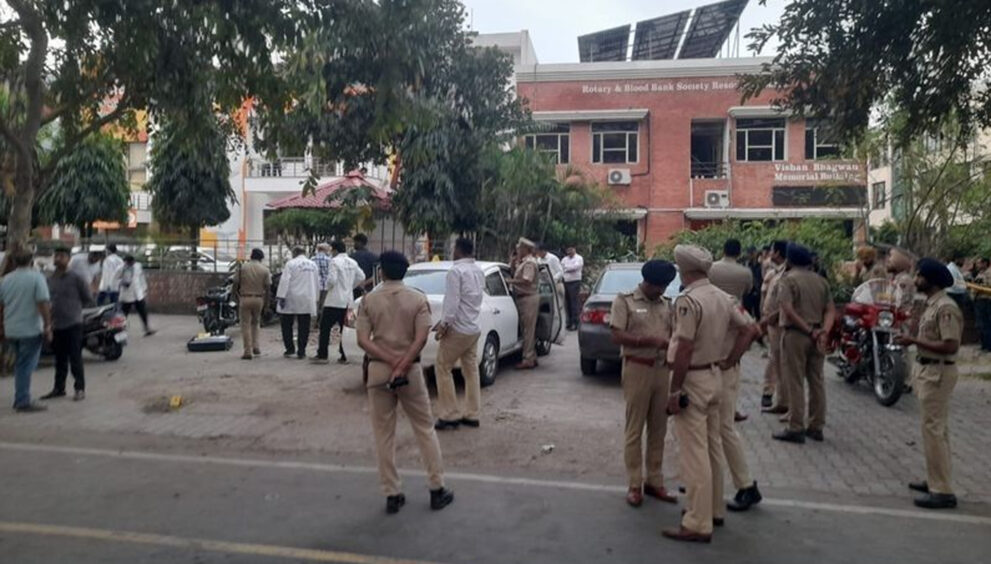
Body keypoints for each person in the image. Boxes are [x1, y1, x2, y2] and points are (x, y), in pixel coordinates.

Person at [662, 245, 753, 543]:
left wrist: (675, 389)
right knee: (713, 447)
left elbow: (684, 347)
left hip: (693, 378)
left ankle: (697, 522)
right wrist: (730, 360)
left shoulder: (688, 300)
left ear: (683, 270)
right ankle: (714, 510)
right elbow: (749, 330)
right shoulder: (723, 297)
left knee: (694, 454)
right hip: (715, 376)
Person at [355, 250, 454, 514]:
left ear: (382, 272)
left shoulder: (368, 301)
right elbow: (421, 338)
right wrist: (401, 365)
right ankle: (437, 489)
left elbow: (363, 340)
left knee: (383, 435)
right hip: (410, 371)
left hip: (378, 371)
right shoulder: (418, 299)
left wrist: (389, 361)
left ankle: (392, 494)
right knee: (425, 429)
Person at [609, 259, 679, 508]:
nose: (662, 290)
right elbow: (616, 335)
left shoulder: (667, 304)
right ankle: (634, 483)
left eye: (665, 286)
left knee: (659, 429)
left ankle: (655, 480)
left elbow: (675, 335)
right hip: (637, 368)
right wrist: (647, 341)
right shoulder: (624, 301)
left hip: (662, 371)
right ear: (648, 282)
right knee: (635, 428)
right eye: (659, 286)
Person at [894, 258, 963, 510]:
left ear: (930, 280)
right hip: (928, 370)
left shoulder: (946, 307)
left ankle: (942, 491)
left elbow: (950, 345)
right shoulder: (932, 304)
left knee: (934, 431)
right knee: (934, 431)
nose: (916, 280)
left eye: (920, 276)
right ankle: (936, 480)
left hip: (938, 372)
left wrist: (914, 341)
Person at [773, 243, 835, 444]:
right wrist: (823, 331)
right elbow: (830, 310)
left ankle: (796, 427)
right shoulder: (821, 281)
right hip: (818, 336)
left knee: (795, 381)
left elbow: (788, 309)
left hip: (796, 335)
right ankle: (816, 426)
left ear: (789, 260)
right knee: (817, 381)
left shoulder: (788, 280)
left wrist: (808, 330)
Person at [433, 238, 486, 430]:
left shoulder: (455, 272)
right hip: (473, 327)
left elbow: (452, 303)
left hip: (458, 328)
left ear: (459, 250)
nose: (452, 251)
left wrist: (443, 325)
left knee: (442, 367)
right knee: (471, 370)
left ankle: (450, 414)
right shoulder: (478, 271)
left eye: (454, 247)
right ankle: (472, 414)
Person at [709, 238, 755, 423]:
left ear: (723, 250)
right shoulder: (745, 272)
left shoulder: (711, 268)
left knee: (712, 359)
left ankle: (712, 401)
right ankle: (730, 408)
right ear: (739, 252)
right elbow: (748, 291)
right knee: (733, 364)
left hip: (713, 315)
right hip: (736, 318)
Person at [1, 250, 53, 412]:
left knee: (20, 364)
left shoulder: (6, 280)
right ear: (31, 261)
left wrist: (2, 326)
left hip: (11, 329)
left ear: (14, 262)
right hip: (30, 329)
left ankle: (21, 396)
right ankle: (22, 400)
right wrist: (47, 325)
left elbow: (1, 306)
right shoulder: (37, 278)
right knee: (25, 365)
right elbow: (43, 303)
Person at [41, 247, 93, 401]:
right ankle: (59, 388)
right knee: (60, 359)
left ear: (68, 259)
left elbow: (87, 298)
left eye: (62, 256)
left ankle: (79, 389)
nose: (58, 258)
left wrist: (74, 308)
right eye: (56, 255)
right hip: (56, 324)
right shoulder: (50, 279)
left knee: (75, 357)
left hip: (73, 323)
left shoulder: (76, 278)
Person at [315, 241, 363, 364]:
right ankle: (344, 355)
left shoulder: (334, 261)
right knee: (347, 328)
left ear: (335, 250)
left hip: (334, 300)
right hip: (349, 302)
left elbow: (332, 280)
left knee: (325, 327)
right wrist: (350, 286)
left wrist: (327, 287)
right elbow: (361, 276)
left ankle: (322, 355)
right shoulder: (353, 262)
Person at [759, 240, 789, 412]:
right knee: (774, 358)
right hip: (770, 322)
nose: (770, 253)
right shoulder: (773, 273)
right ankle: (771, 393)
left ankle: (779, 398)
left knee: (779, 360)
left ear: (777, 253)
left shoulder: (787, 273)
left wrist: (773, 315)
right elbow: (766, 297)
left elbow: (786, 302)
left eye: (772, 250)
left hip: (780, 323)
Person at [276, 247, 319, 359]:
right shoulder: (313, 265)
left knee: (286, 324)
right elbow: (316, 282)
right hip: (307, 298)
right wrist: (316, 298)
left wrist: (281, 296)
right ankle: (302, 351)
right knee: (304, 326)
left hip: (291, 297)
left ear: (294, 253)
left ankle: (290, 349)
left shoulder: (291, 264)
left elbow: (285, 280)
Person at [505, 238, 540, 369]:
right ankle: (532, 356)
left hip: (528, 298)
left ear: (525, 249)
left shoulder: (529, 263)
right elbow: (516, 273)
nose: (517, 250)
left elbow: (527, 280)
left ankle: (528, 359)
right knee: (527, 329)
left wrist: (511, 282)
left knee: (528, 331)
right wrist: (513, 262)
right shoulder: (523, 262)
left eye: (519, 248)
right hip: (524, 298)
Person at [233, 248, 272, 360]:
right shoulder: (265, 270)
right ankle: (256, 346)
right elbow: (268, 288)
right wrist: (267, 304)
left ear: (251, 256)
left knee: (245, 325)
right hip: (259, 299)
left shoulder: (242, 268)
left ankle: (247, 351)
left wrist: (235, 296)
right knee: (256, 323)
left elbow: (235, 283)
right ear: (261, 258)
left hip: (245, 298)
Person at [119, 255, 155, 336]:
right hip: (127, 294)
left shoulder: (138, 266)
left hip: (138, 293)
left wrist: (144, 288)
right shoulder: (121, 268)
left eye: (131, 263)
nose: (130, 264)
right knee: (124, 313)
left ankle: (147, 328)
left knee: (143, 311)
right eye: (128, 263)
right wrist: (121, 283)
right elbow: (115, 278)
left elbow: (141, 277)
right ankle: (119, 329)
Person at [970, 258, 991, 352]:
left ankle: (988, 346)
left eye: (979, 263)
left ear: (985, 263)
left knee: (986, 323)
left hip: (985, 300)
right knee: (980, 324)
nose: (977, 265)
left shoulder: (989, 273)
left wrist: (981, 284)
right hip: (978, 300)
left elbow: (987, 285)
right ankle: (984, 345)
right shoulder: (980, 273)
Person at [561, 246, 584, 331]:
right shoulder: (564, 259)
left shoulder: (579, 258)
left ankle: (575, 322)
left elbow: (575, 268)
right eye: (568, 250)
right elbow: (562, 267)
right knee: (567, 302)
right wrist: (568, 268)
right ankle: (569, 322)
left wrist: (567, 268)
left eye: (571, 249)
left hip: (575, 281)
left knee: (574, 302)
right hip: (566, 281)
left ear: (574, 249)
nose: (569, 251)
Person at [350, 233, 379, 299]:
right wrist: (365, 283)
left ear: (359, 242)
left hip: (354, 290)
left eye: (355, 242)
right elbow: (378, 274)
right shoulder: (374, 257)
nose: (354, 244)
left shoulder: (351, 257)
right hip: (369, 289)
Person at [312, 243, 332, 319]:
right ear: (325, 250)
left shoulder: (312, 259)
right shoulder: (329, 260)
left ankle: (314, 320)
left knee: (315, 304)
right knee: (324, 304)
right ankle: (321, 321)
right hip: (326, 286)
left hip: (315, 285)